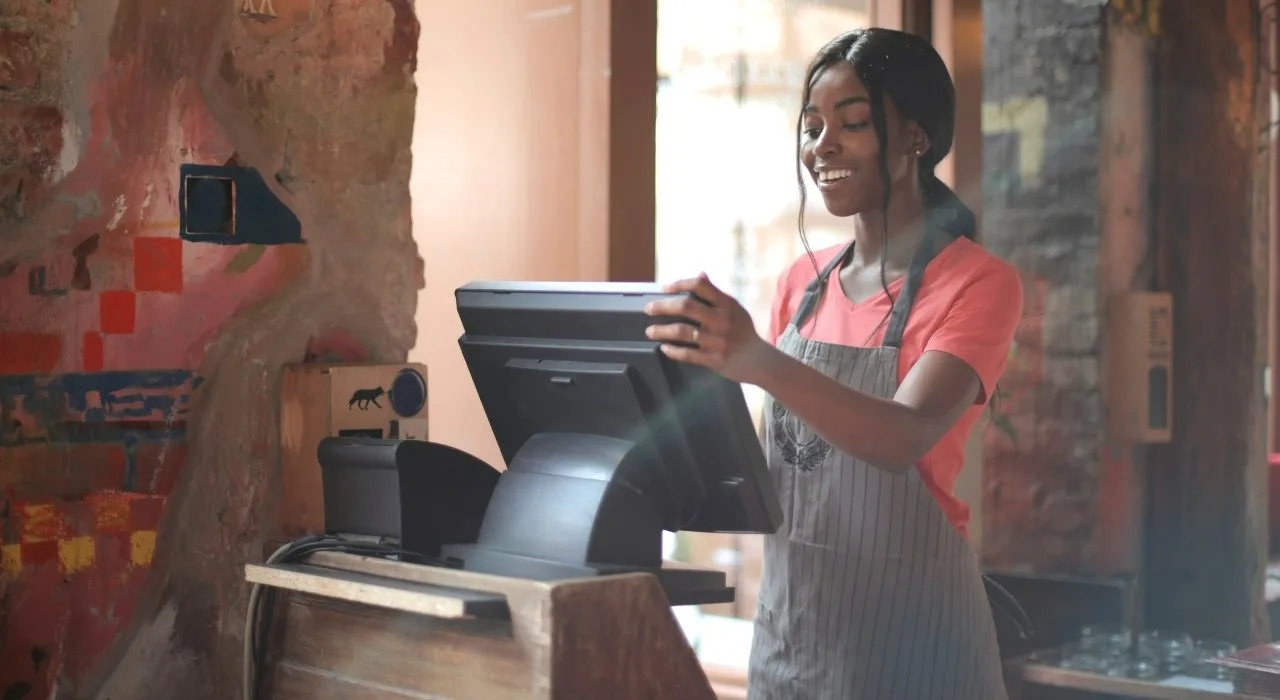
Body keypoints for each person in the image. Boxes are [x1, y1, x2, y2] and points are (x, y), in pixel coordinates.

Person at [645, 28, 1025, 700]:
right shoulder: (800, 284)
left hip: (919, 650)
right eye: (813, 126)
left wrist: (756, 358)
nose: (822, 147)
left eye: (851, 124)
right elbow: (781, 467)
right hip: (797, 638)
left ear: (915, 137)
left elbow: (901, 435)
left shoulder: (977, 284)